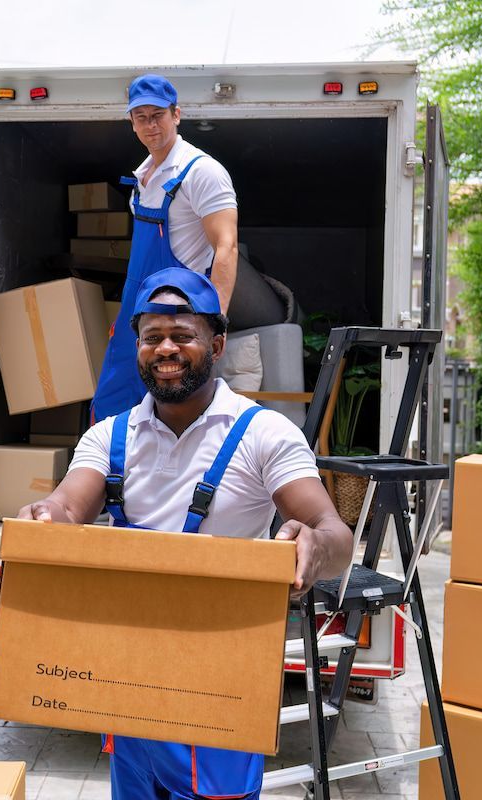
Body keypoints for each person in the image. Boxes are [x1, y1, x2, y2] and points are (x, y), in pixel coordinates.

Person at [20, 267, 353, 800]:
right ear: (138, 348)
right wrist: (45, 517)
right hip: (128, 668)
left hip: (220, 669)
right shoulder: (110, 436)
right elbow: (67, 502)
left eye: (182, 335)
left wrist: (313, 550)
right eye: (153, 338)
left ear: (217, 344)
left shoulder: (264, 433)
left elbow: (332, 530)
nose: (166, 348)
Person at [92, 73, 239, 422]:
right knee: (113, 410)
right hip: (139, 313)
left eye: (157, 115)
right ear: (131, 122)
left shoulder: (201, 172)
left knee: (172, 413)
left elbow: (227, 247)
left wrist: (213, 322)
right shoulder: (142, 177)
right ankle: (116, 478)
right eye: (140, 117)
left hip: (178, 317)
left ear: (176, 114)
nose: (150, 125)